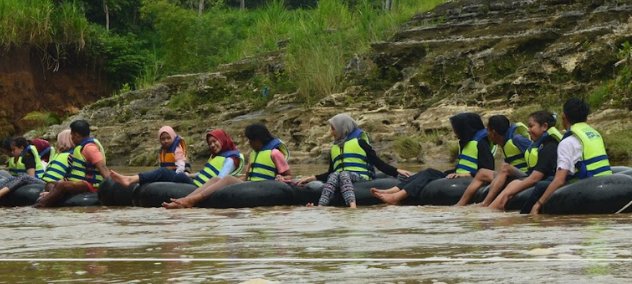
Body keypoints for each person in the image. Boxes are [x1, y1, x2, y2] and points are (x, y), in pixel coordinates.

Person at [371, 112, 493, 206]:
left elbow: (488, 170)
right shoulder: (466, 142)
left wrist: (465, 175)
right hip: (458, 177)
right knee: (426, 172)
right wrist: (455, 173)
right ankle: (392, 191)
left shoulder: (481, 144)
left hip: (469, 180)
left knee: (429, 173)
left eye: (455, 128)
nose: (454, 131)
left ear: (464, 128)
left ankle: (396, 197)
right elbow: (461, 166)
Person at [162, 123, 292, 209]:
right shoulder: (254, 154)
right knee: (216, 179)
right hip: (251, 186)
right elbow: (247, 178)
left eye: (250, 140)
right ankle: (186, 200)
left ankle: (192, 201)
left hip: (267, 188)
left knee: (227, 179)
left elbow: (288, 176)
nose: (249, 143)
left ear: (258, 139)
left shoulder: (275, 153)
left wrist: (282, 179)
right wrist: (227, 181)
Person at [297, 114, 411, 208]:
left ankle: (352, 206)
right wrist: (312, 178)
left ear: (343, 128)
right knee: (334, 175)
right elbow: (330, 172)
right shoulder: (335, 147)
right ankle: (321, 206)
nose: (331, 132)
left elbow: (378, 163)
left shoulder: (360, 143)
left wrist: (397, 171)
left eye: (333, 128)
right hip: (343, 177)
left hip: (362, 178)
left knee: (343, 174)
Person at [526, 98, 612, 215]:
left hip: (588, 190)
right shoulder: (594, 134)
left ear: (564, 117)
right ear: (586, 118)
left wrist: (538, 204)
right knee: (550, 180)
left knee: (542, 186)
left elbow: (559, 181)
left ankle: (525, 216)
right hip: (608, 185)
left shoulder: (567, 142)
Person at [109, 129, 245, 189]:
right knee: (171, 174)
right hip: (197, 183)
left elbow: (220, 179)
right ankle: (134, 180)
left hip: (200, 188)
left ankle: (130, 179)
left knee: (164, 172)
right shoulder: (215, 157)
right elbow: (204, 174)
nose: (212, 145)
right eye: (210, 143)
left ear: (223, 140)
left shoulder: (231, 159)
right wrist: (190, 174)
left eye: (215, 141)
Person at [484, 110, 562, 209]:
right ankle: (486, 209)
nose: (528, 130)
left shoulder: (549, 146)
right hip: (535, 176)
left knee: (513, 184)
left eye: (531, 126)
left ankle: (489, 213)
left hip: (542, 180)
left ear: (544, 126)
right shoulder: (542, 144)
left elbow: (535, 178)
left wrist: (508, 194)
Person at [34, 120, 110, 208]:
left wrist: (109, 185)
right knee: (50, 184)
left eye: (72, 135)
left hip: (91, 185)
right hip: (80, 182)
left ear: (76, 135)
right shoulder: (80, 148)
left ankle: (40, 205)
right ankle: (53, 195)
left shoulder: (90, 148)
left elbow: (102, 167)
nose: (71, 138)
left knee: (62, 186)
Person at [478, 114, 534, 206]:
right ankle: (460, 205)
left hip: (527, 176)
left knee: (505, 167)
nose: (487, 134)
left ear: (493, 132)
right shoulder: (504, 144)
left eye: (488, 130)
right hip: (514, 175)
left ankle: (485, 203)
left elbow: (535, 155)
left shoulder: (517, 139)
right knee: (482, 172)